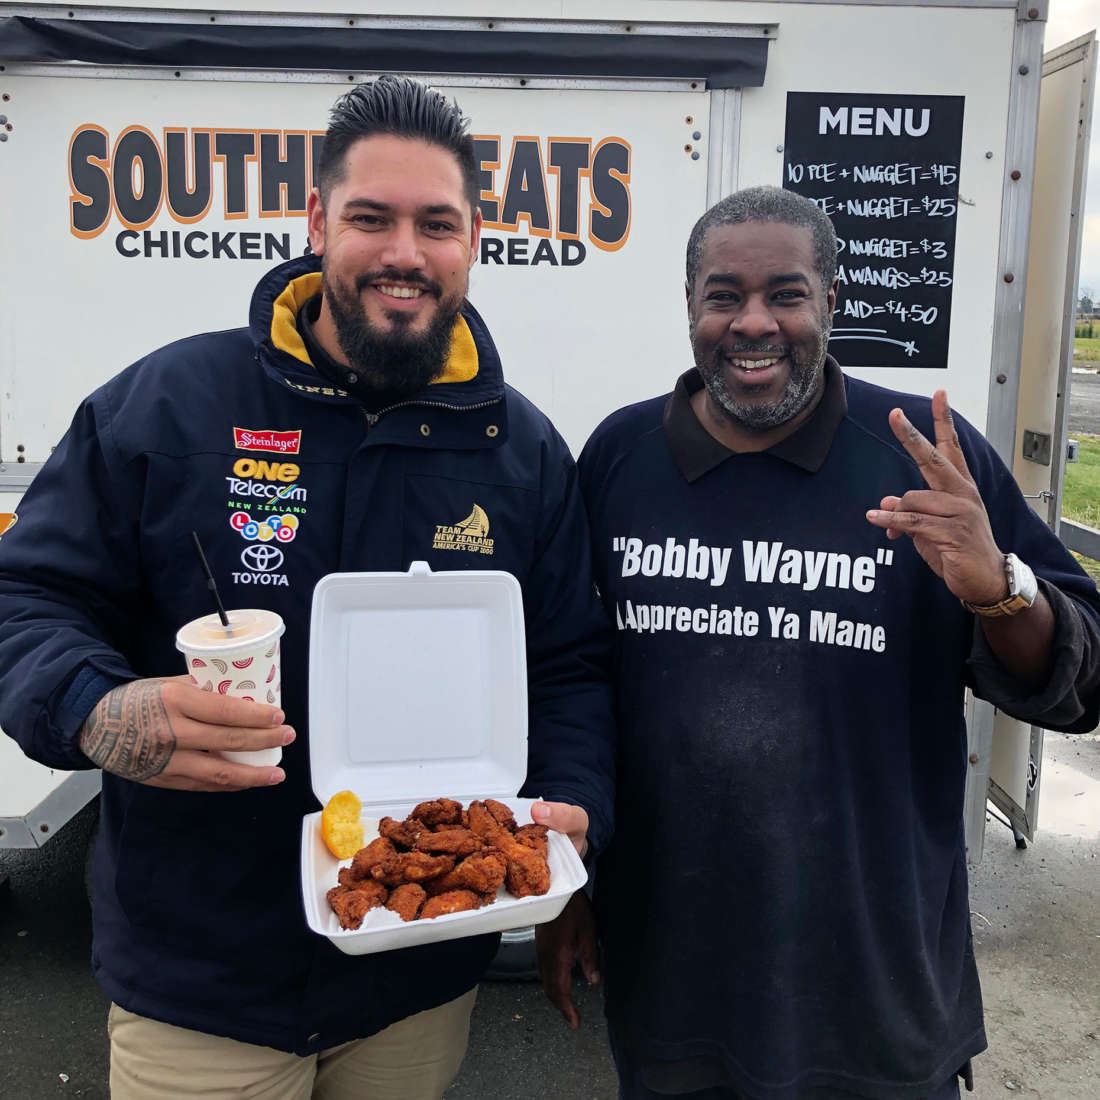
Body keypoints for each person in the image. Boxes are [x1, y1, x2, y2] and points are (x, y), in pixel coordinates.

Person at [0, 76, 613, 1099]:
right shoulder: (170, 404)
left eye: (437, 223)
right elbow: (26, 600)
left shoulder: (520, 451)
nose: (403, 253)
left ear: (475, 239)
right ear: (318, 220)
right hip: (201, 980)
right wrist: (96, 706)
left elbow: (569, 665)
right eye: (371, 217)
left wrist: (578, 803)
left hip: (415, 978)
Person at [538, 186, 1100, 1100]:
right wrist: (569, 886)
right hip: (673, 977)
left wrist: (1003, 592)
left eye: (786, 294)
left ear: (830, 304)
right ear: (690, 307)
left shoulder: (920, 460)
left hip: (878, 984)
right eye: (723, 295)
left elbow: (1081, 679)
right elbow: (575, 680)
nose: (753, 322)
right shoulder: (620, 458)